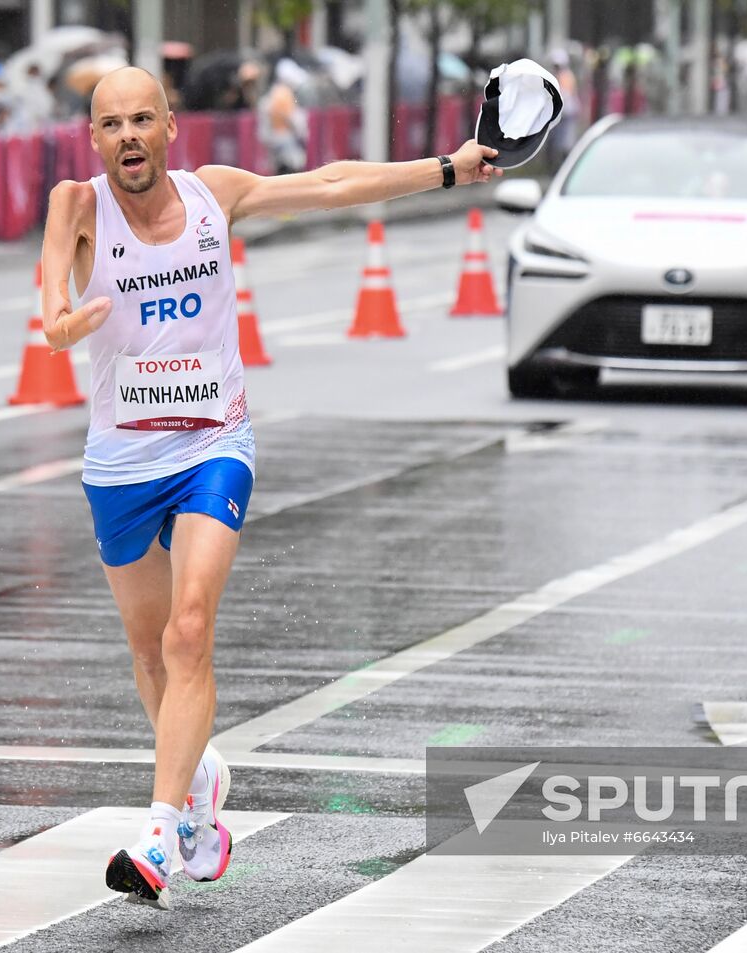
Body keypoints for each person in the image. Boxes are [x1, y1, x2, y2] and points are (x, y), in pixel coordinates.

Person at [38, 66, 497, 911]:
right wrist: (64, 326)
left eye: (144, 119)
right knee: (149, 655)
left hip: (214, 442)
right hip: (121, 460)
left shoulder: (215, 195)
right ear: (94, 137)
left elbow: (330, 184)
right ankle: (202, 776)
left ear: (172, 128)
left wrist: (448, 169)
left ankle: (159, 828)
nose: (129, 136)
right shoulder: (78, 205)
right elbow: (51, 304)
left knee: (189, 630)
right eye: (112, 124)